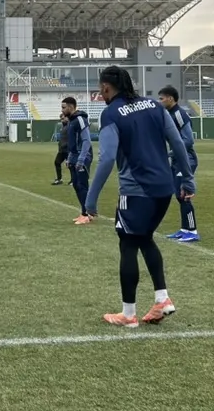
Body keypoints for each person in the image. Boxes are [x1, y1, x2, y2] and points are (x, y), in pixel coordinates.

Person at [83, 66, 196, 328]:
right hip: (164, 187)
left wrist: (91, 198)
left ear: (106, 87)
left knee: (128, 245)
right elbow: (178, 143)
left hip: (136, 190)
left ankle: (128, 314)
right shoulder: (155, 106)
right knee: (145, 238)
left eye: (101, 89)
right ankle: (162, 299)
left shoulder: (111, 113)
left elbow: (107, 158)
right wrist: (188, 178)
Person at [158, 86, 200, 242]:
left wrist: (169, 153)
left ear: (170, 98)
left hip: (187, 160)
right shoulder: (168, 114)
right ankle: (185, 229)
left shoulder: (179, 114)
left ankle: (192, 231)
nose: (160, 101)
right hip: (177, 160)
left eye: (162, 98)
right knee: (178, 194)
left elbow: (188, 140)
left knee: (184, 195)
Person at [62, 97, 93, 224]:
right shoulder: (71, 121)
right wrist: (70, 157)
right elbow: (73, 142)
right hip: (74, 156)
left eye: (64, 107)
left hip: (83, 156)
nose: (62, 110)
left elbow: (86, 140)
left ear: (71, 107)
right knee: (75, 184)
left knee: (82, 185)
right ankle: (85, 212)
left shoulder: (80, 119)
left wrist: (81, 159)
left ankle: (86, 214)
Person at [52, 114, 69, 185]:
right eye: (61, 119)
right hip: (62, 150)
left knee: (71, 165)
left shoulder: (69, 127)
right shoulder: (63, 128)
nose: (62, 120)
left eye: (63, 118)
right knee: (57, 162)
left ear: (67, 118)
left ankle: (73, 180)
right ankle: (59, 179)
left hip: (68, 150)